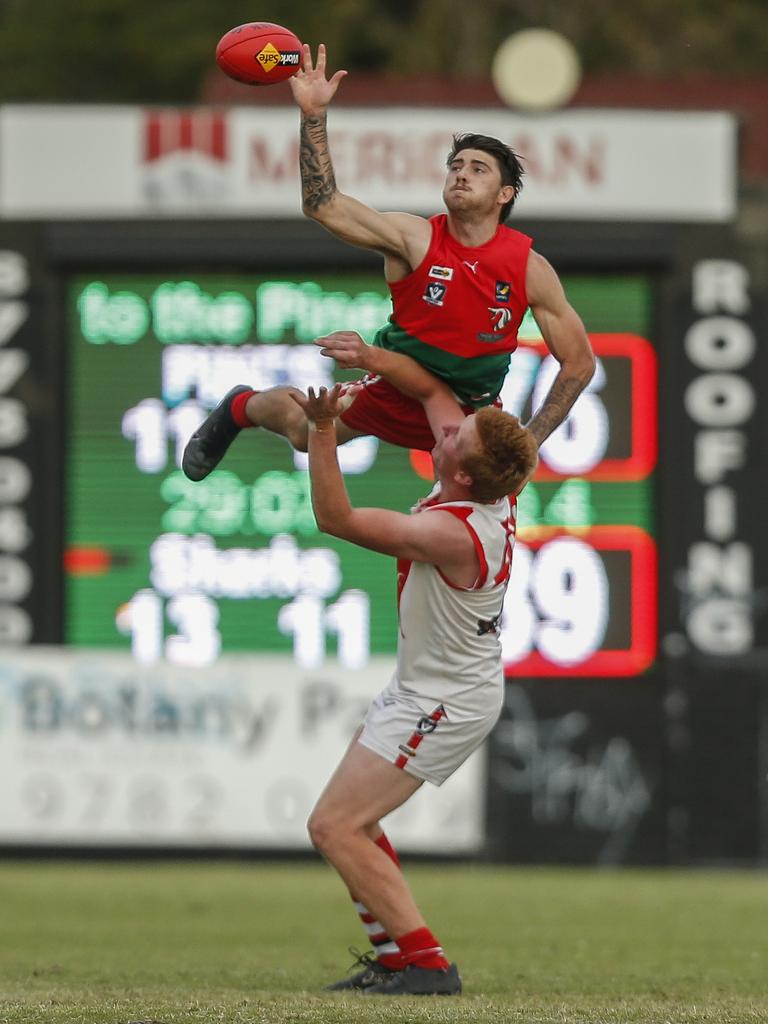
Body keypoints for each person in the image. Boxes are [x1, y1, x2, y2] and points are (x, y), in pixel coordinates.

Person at [181, 43, 594, 483]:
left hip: (467, 410)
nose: (460, 173)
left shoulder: (528, 266)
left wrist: (532, 438)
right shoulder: (415, 238)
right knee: (305, 435)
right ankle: (240, 407)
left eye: (478, 169)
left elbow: (579, 362)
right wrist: (313, 115)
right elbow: (324, 206)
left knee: (487, 496)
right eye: (455, 165)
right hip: (395, 386)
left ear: (504, 195)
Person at [289, 341, 538, 996]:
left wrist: (322, 430)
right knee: (354, 825)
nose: (451, 428)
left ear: (460, 473)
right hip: (431, 687)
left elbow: (335, 517)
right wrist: (368, 353)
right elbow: (431, 392)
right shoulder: (479, 484)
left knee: (333, 826)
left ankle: (427, 965)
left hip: (446, 700)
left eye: (461, 434)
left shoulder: (453, 534)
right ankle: (396, 957)